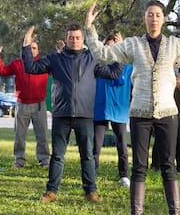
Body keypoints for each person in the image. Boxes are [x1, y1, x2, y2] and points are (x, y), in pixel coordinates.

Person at [85, 0, 180, 215]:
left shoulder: (175, 45)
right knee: (139, 165)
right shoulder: (133, 45)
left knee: (168, 164)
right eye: (150, 14)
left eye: (158, 14)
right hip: (139, 112)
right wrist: (90, 29)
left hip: (167, 112)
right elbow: (102, 54)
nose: (154, 18)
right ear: (144, 18)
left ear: (164, 19)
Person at [21, 24, 122, 203]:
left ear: (83, 40)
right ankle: (51, 192)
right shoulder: (55, 59)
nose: (74, 41)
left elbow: (114, 74)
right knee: (57, 156)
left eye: (77, 38)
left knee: (88, 156)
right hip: (62, 114)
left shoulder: (92, 59)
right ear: (66, 39)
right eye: (71, 37)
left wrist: (119, 51)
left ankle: (91, 192)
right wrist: (26, 45)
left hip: (85, 115)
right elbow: (31, 68)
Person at [0, 40, 50, 168]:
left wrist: (61, 53)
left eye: (34, 48)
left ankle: (44, 160)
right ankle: (19, 160)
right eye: (30, 48)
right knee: (19, 135)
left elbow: (61, 68)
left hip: (39, 105)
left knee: (42, 135)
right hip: (22, 104)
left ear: (38, 51)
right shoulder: (17, 64)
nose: (32, 51)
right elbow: (1, 71)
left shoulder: (44, 64)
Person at [93, 32, 133, 188]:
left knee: (122, 145)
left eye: (113, 46)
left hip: (119, 110)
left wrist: (123, 49)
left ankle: (124, 175)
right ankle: (92, 174)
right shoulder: (98, 65)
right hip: (100, 108)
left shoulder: (127, 66)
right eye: (107, 46)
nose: (110, 48)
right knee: (95, 145)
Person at [151, 71, 180, 178]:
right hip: (164, 107)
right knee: (160, 137)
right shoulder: (161, 66)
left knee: (179, 138)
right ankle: (156, 164)